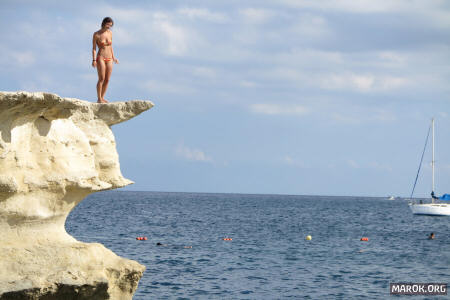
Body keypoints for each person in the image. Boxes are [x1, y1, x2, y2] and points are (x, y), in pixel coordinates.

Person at [92, 17, 119, 103]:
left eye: (110, 26)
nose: (109, 27)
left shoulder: (110, 33)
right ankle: (99, 98)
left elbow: (111, 46)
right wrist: (94, 60)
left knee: (107, 79)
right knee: (101, 78)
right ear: (104, 23)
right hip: (101, 57)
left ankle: (102, 97)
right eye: (108, 25)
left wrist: (114, 57)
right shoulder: (96, 34)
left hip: (110, 58)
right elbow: (94, 48)